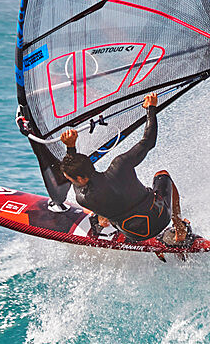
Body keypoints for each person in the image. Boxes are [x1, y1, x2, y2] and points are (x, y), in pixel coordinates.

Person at [59, 92, 190, 256]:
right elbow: (148, 141)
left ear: (80, 179)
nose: (69, 181)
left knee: (103, 210)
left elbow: (79, 182)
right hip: (160, 218)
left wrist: (70, 147)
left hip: (134, 235)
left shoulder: (84, 198)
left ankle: (103, 220)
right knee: (162, 175)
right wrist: (151, 108)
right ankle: (179, 227)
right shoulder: (120, 165)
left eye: (69, 179)